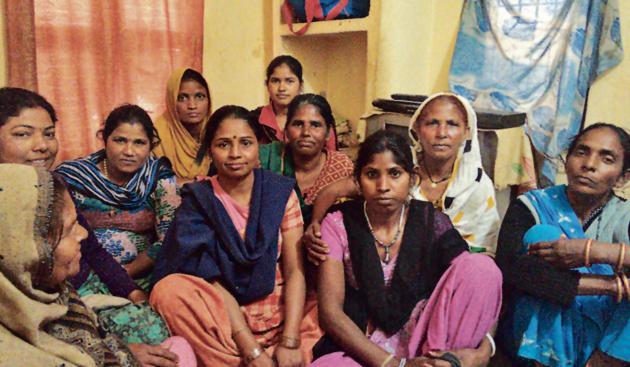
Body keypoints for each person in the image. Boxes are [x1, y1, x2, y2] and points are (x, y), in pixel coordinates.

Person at [311, 130, 502, 367]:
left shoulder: (431, 221)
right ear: (358, 181)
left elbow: (477, 288)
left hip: (426, 341)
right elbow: (330, 313)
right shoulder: (339, 224)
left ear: (412, 179)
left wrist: (486, 348)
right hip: (361, 346)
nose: (383, 186)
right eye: (372, 174)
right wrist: (393, 364)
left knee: (482, 267)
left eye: (395, 174)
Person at [150, 105, 322, 366]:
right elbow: (211, 282)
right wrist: (251, 349)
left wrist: (289, 340)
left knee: (326, 308)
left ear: (258, 149)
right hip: (223, 318)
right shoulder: (200, 200)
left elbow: (295, 270)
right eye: (223, 144)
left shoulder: (279, 193)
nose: (235, 154)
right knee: (168, 291)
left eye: (245, 143)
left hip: (279, 308)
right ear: (210, 151)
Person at [0, 164, 196, 367]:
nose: (83, 234)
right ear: (24, 251)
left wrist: (119, 351)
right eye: (68, 230)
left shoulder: (55, 296)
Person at [305, 92, 500, 265]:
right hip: (396, 273)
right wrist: (314, 224)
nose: (441, 134)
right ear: (416, 128)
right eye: (432, 123)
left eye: (452, 124)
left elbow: (484, 250)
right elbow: (332, 191)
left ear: (467, 131)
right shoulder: (396, 171)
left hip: (454, 272)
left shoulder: (477, 185)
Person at [496, 123, 630, 367]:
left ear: (623, 178)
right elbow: (512, 269)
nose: (589, 164)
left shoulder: (625, 216)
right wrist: (610, 285)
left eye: (607, 158)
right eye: (581, 152)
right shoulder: (532, 205)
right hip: (530, 334)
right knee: (542, 235)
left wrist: (592, 251)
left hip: (606, 340)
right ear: (567, 160)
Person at [0, 86, 144, 303]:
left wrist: (131, 291)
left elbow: (92, 250)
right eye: (23, 134)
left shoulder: (54, 187)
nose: (42, 146)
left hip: (84, 290)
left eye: (49, 134)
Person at [56, 104, 180, 345]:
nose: (129, 151)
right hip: (84, 275)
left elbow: (167, 239)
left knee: (158, 325)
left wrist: (125, 275)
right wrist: (102, 276)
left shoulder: (159, 177)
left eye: (139, 143)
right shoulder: (73, 177)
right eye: (120, 140)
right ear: (104, 139)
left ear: (150, 145)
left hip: (143, 275)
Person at [258, 93, 353, 224]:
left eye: (315, 125)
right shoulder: (265, 158)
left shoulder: (341, 167)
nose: (306, 133)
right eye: (298, 124)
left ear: (327, 133)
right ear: (286, 130)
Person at [252, 55, 337, 151]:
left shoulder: (319, 117)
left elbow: (331, 156)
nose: (281, 88)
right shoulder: (255, 119)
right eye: (275, 81)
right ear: (267, 85)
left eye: (289, 81)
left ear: (300, 86)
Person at [153, 67, 212, 182]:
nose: (192, 105)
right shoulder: (157, 136)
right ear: (171, 100)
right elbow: (150, 184)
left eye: (199, 96)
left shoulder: (217, 134)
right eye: (182, 98)